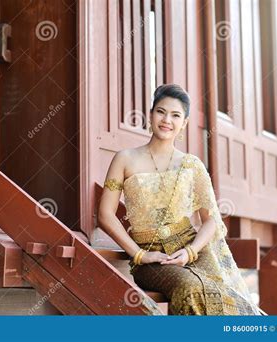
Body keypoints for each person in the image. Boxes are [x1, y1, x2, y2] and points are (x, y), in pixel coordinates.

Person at [97, 84, 262, 315]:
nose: (167, 120)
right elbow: (105, 215)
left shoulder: (191, 165)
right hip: (152, 258)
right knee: (191, 288)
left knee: (228, 297)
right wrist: (140, 255)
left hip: (191, 250)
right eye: (161, 112)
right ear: (151, 114)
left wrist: (190, 251)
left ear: (183, 123)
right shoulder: (125, 159)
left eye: (176, 115)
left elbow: (211, 220)